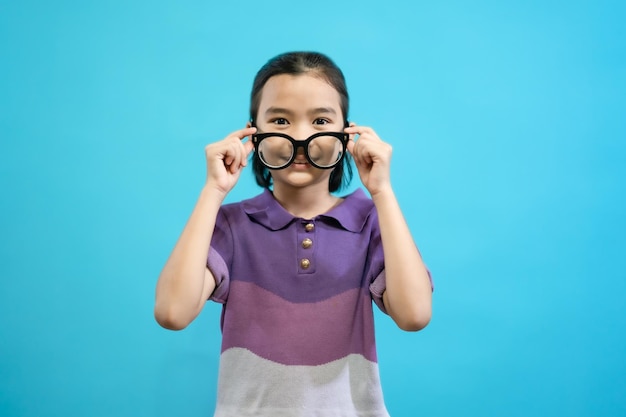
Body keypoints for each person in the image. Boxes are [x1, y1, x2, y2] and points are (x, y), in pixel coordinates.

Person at [154, 51, 433, 417]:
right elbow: (173, 312)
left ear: (346, 134)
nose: (300, 136)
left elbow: (414, 315)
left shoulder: (371, 222)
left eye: (320, 120)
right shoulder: (233, 225)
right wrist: (213, 192)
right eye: (281, 120)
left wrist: (382, 192)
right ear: (252, 132)